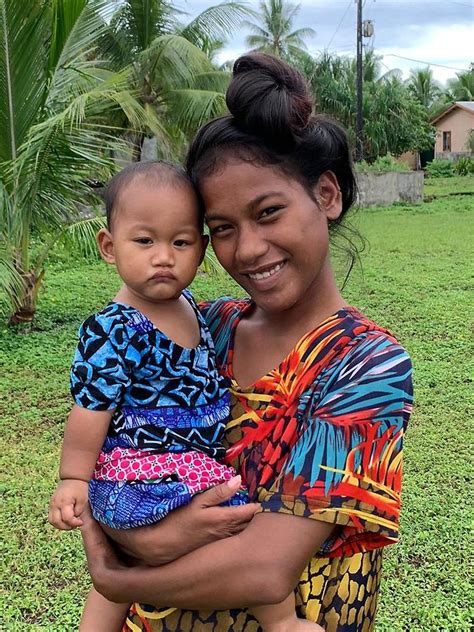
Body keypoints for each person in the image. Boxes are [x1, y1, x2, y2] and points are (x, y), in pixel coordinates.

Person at [79, 54, 414, 631]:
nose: (249, 249)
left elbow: (265, 570)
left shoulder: (367, 365)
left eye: (269, 212)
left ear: (327, 195)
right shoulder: (200, 329)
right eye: (223, 229)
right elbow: (104, 463)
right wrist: (131, 536)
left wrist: (121, 574)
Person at [48, 160, 321, 632]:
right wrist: (73, 478)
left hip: (185, 465)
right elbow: (90, 409)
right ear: (109, 248)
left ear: (202, 249)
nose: (163, 257)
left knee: (123, 570)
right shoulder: (114, 328)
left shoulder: (195, 309)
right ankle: (281, 622)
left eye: (181, 242)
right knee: (237, 518)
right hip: (145, 470)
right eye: (144, 241)